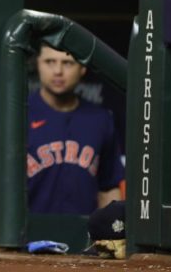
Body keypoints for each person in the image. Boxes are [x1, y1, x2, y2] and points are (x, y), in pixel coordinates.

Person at [27, 43, 124, 214]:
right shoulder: (18, 115)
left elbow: (108, 187)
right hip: (28, 233)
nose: (58, 71)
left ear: (82, 68)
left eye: (67, 63)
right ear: (38, 64)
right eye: (50, 61)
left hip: (84, 233)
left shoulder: (100, 119)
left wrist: (111, 233)